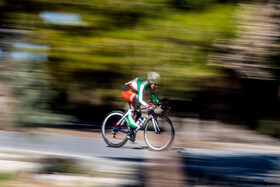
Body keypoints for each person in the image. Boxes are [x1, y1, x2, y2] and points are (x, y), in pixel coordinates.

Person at [121, 72, 160, 143]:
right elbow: (140, 100)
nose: (156, 86)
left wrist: (157, 103)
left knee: (139, 113)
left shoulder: (151, 85)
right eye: (155, 84)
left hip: (132, 93)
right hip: (126, 90)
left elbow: (154, 96)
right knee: (136, 100)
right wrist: (148, 106)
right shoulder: (143, 83)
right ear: (151, 81)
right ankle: (129, 119)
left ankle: (131, 134)